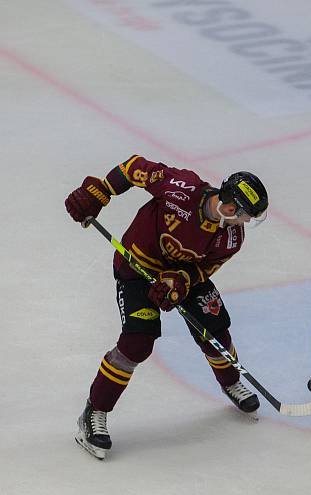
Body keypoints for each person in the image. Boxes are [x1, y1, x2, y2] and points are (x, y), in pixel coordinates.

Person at [65, 155, 268, 458]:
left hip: (182, 276)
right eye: (246, 215)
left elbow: (206, 269)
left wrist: (182, 281)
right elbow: (134, 167)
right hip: (137, 269)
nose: (247, 223)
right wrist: (103, 190)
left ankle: (231, 382)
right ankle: (93, 413)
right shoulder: (182, 188)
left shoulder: (232, 237)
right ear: (229, 208)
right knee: (137, 342)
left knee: (215, 330)